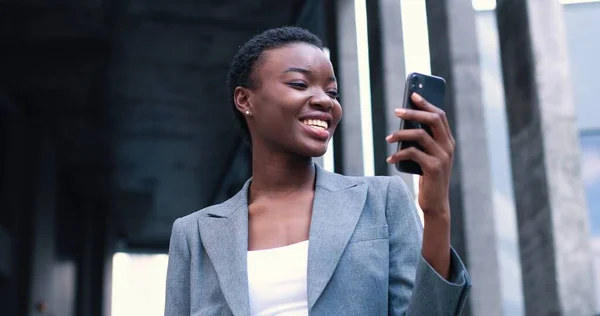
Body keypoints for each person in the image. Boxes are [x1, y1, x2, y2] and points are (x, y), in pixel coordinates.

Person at [165, 26, 471, 316]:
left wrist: (436, 213)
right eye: (299, 84)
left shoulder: (381, 200)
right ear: (245, 99)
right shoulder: (195, 235)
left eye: (333, 93)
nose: (325, 101)